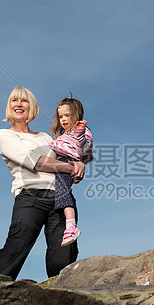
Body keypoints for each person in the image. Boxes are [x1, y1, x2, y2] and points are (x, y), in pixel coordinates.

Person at [0, 87, 85, 279]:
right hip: (30, 198)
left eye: (24, 101)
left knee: (63, 258)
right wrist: (69, 167)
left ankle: (63, 301)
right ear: (9, 106)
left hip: (60, 199)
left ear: (32, 107)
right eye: (14, 100)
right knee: (17, 246)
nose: (19, 104)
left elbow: (66, 160)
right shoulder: (4, 135)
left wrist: (78, 165)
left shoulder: (45, 137)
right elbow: (34, 161)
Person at [49, 96, 93, 247]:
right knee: (61, 191)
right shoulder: (64, 135)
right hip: (62, 162)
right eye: (61, 116)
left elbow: (83, 148)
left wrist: (80, 133)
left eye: (67, 115)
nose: (63, 119)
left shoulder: (82, 131)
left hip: (68, 162)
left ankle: (71, 227)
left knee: (62, 192)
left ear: (76, 114)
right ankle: (70, 226)